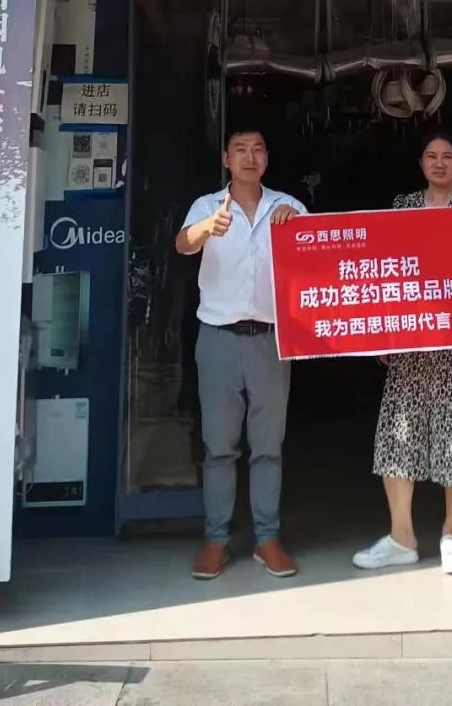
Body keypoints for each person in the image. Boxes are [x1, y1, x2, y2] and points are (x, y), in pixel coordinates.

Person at [353, 131, 452, 577]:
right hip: (412, 346)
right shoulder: (402, 207)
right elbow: (385, 272)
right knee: (398, 438)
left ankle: (450, 535)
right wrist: (384, 335)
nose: (439, 163)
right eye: (431, 156)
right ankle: (402, 538)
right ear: (421, 164)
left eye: (447, 156)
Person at [177, 126, 306, 582]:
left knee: (268, 447)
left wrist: (299, 228)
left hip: (271, 339)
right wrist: (205, 229)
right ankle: (216, 540)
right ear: (226, 159)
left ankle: (267, 539)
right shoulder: (207, 206)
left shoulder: (289, 206)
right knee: (219, 447)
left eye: (257, 149)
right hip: (218, 338)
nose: (249, 157)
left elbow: (317, 262)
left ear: (267, 158)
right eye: (240, 150)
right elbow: (183, 244)